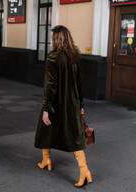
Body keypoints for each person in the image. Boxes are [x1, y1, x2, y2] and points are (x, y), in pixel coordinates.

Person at [34, 25, 92, 187]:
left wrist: (46, 108)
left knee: (46, 126)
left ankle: (47, 160)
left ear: (56, 39)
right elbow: (79, 84)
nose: (51, 40)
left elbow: (50, 86)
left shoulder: (53, 58)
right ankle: (83, 170)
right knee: (74, 135)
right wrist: (80, 104)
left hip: (56, 103)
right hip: (72, 103)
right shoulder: (74, 57)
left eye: (53, 37)